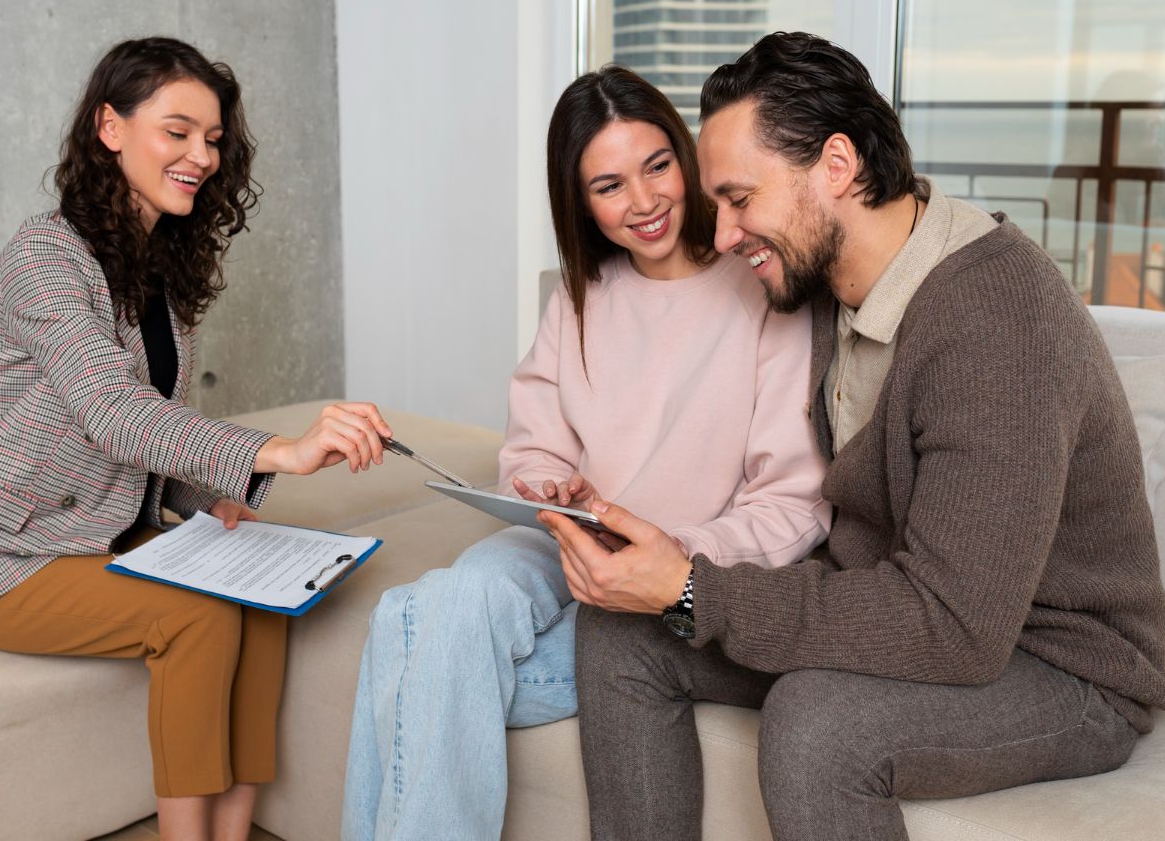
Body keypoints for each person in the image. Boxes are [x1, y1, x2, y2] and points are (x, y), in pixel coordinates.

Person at [543, 32, 1165, 841]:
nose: (725, 232)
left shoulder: (995, 323)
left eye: (741, 199)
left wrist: (693, 587)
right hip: (899, 601)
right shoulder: (823, 286)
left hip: (1057, 661)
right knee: (621, 634)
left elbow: (956, 627)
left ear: (836, 168)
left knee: (818, 723)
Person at [0, 37, 393, 841]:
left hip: (103, 529)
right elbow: (112, 412)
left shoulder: (157, 268)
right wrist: (276, 452)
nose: (200, 156)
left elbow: (144, 434)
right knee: (196, 617)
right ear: (109, 127)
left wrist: (215, 499)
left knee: (264, 598)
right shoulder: (43, 259)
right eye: (177, 131)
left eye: (212, 139)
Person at [340, 65, 830, 841]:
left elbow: (791, 503)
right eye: (608, 186)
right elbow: (533, 442)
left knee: (407, 627)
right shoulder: (579, 295)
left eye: (658, 166)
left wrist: (671, 554)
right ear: (580, 201)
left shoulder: (762, 287)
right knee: (457, 600)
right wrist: (540, 481)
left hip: (675, 566)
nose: (642, 202)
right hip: (559, 537)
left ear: (689, 156)